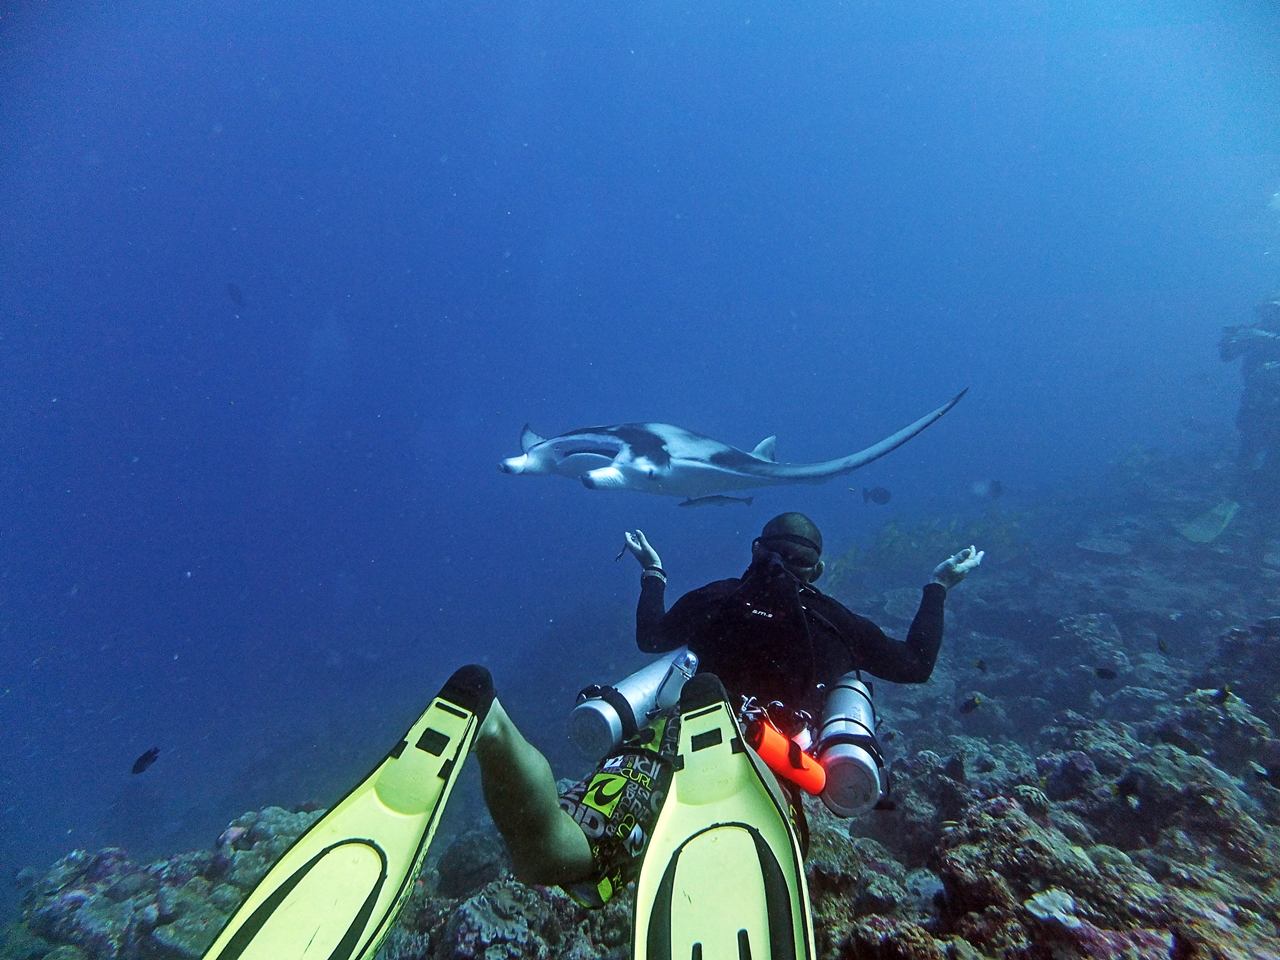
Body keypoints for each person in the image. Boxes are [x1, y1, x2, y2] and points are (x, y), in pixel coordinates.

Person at [471, 511, 982, 907]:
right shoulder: (834, 624)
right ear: (818, 570)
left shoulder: (714, 599)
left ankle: (493, 726)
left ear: (756, 551)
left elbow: (650, 638)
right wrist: (937, 587)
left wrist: (653, 573)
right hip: (771, 764)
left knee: (562, 855)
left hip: (668, 744)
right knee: (746, 882)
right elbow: (915, 664)